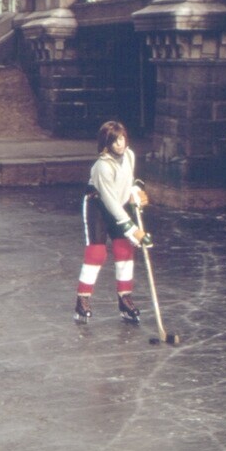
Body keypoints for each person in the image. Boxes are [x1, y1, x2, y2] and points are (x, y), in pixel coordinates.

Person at [73, 120, 151, 324]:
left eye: (123, 138)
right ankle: (83, 299)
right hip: (98, 206)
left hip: (119, 204)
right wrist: (132, 229)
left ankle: (125, 298)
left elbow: (129, 180)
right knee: (97, 253)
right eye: (115, 141)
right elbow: (109, 200)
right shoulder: (101, 167)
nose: (120, 144)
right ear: (106, 143)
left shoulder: (130, 155)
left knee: (125, 250)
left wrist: (135, 192)